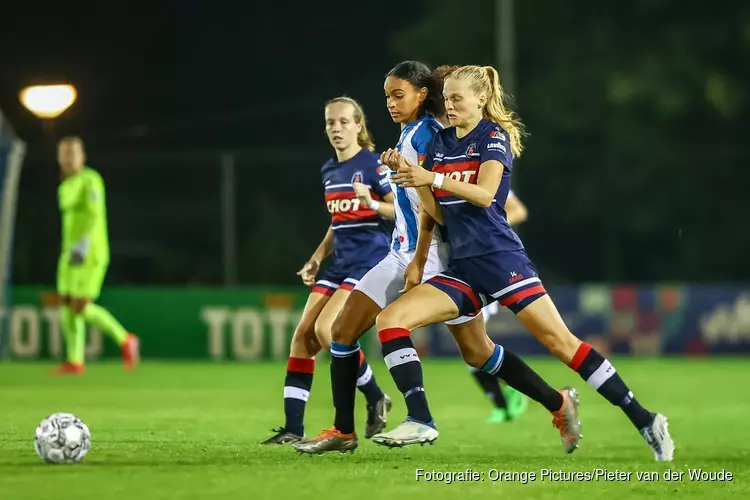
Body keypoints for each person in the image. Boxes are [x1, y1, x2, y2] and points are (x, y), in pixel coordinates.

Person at [378, 64, 674, 461]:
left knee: (561, 344)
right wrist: (412, 180)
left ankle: (645, 419)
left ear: (480, 99)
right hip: (463, 267)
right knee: (391, 322)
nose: (449, 105)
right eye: (445, 98)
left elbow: (485, 197)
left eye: (457, 98)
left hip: (501, 260)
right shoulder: (440, 143)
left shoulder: (492, 137)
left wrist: (431, 179)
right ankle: (421, 419)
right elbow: (439, 213)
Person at [293, 62, 580, 455]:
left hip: (434, 256)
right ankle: (344, 430)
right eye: (387, 97)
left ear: (421, 95)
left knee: (468, 349)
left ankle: (428, 418)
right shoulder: (410, 133)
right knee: (344, 333)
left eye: (399, 95)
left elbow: (436, 204)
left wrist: (420, 257)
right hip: (401, 251)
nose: (392, 104)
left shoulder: (431, 135)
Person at [262, 97, 395, 445]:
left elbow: (401, 213)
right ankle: (293, 428)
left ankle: (374, 394)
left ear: (358, 126)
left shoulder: (375, 166)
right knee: (303, 337)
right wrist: (316, 257)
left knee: (328, 330)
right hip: (339, 264)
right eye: (330, 123)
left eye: (343, 122)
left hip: (370, 261)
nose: (336, 128)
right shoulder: (330, 170)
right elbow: (338, 222)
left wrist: (373, 203)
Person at [50, 136, 140, 375]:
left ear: (83, 157)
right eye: (64, 154)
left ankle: (125, 339)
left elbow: (94, 216)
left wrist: (83, 245)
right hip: (69, 254)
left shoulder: (91, 180)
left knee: (80, 305)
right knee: (66, 304)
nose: (68, 159)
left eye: (73, 154)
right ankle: (75, 360)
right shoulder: (65, 185)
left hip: (89, 252)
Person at [469, 189, 530, 424]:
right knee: (474, 350)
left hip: (483, 267)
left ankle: (510, 396)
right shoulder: (453, 173)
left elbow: (519, 211)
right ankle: (507, 398)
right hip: (460, 266)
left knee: (475, 350)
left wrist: (489, 225)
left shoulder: (488, 175)